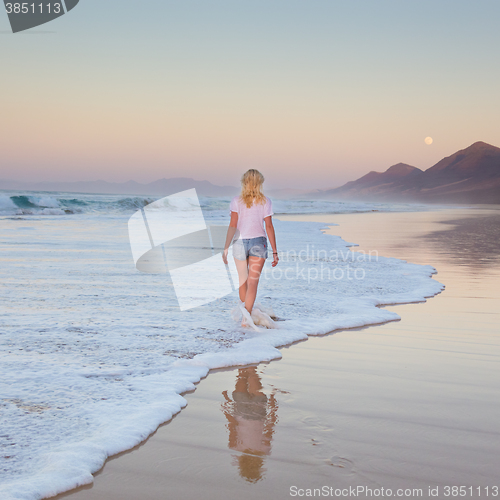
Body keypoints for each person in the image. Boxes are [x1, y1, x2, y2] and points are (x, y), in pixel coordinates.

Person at [222, 169, 278, 324]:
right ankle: (246, 320)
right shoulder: (265, 201)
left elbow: (233, 225)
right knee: (253, 282)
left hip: (239, 242)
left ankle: (246, 315)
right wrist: (275, 251)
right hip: (258, 243)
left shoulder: (236, 201)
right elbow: (269, 227)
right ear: (259, 183)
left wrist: (226, 248)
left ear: (244, 182)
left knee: (242, 280)